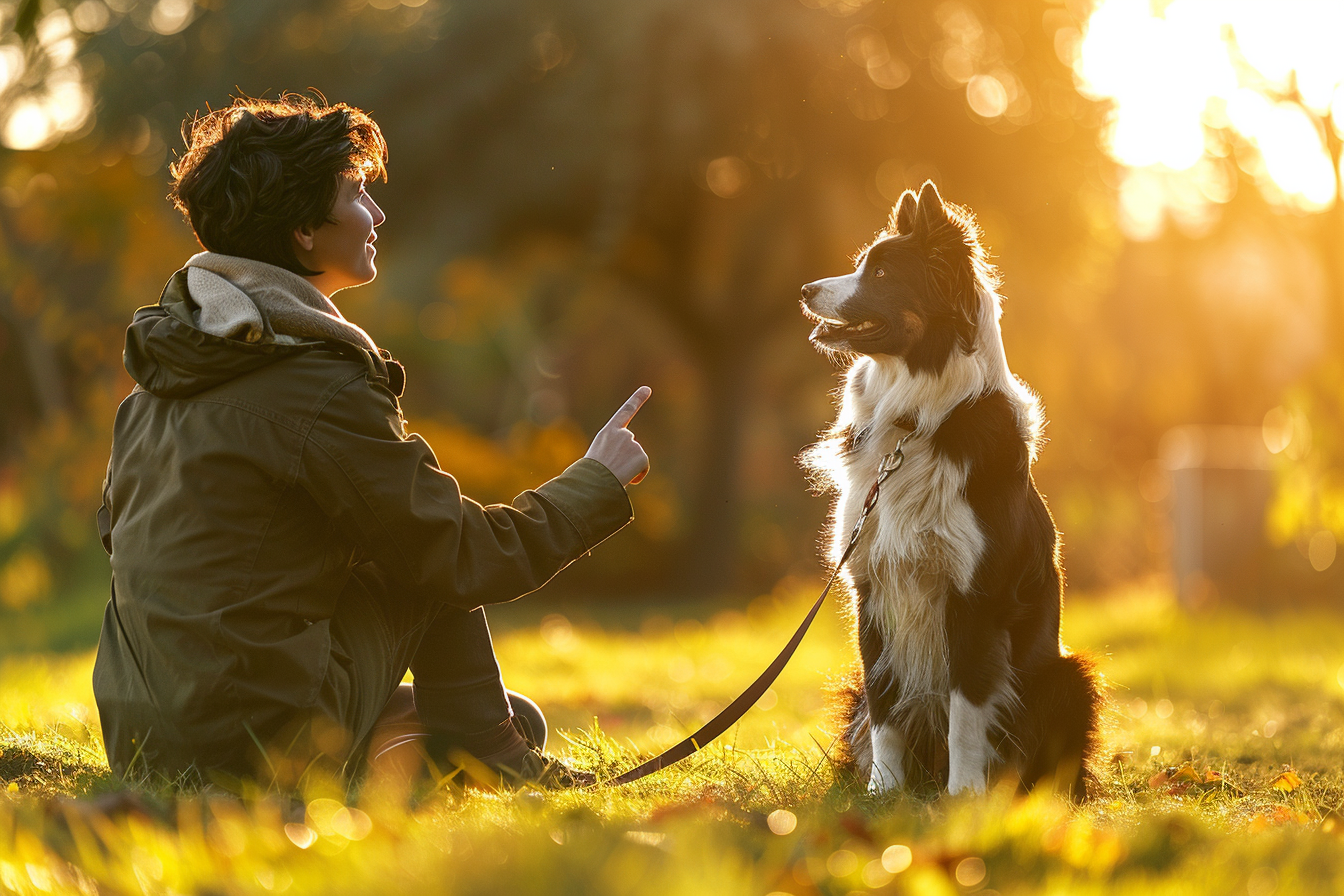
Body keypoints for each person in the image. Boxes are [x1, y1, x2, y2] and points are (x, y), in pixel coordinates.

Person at [92, 94, 650, 789]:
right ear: (304, 228)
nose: (378, 214)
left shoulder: (162, 374)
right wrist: (596, 480)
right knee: (424, 556)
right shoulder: (310, 380)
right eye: (356, 193)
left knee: (514, 712)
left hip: (144, 740)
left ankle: (447, 748)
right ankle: (496, 758)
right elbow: (457, 555)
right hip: (252, 743)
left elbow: (142, 542)